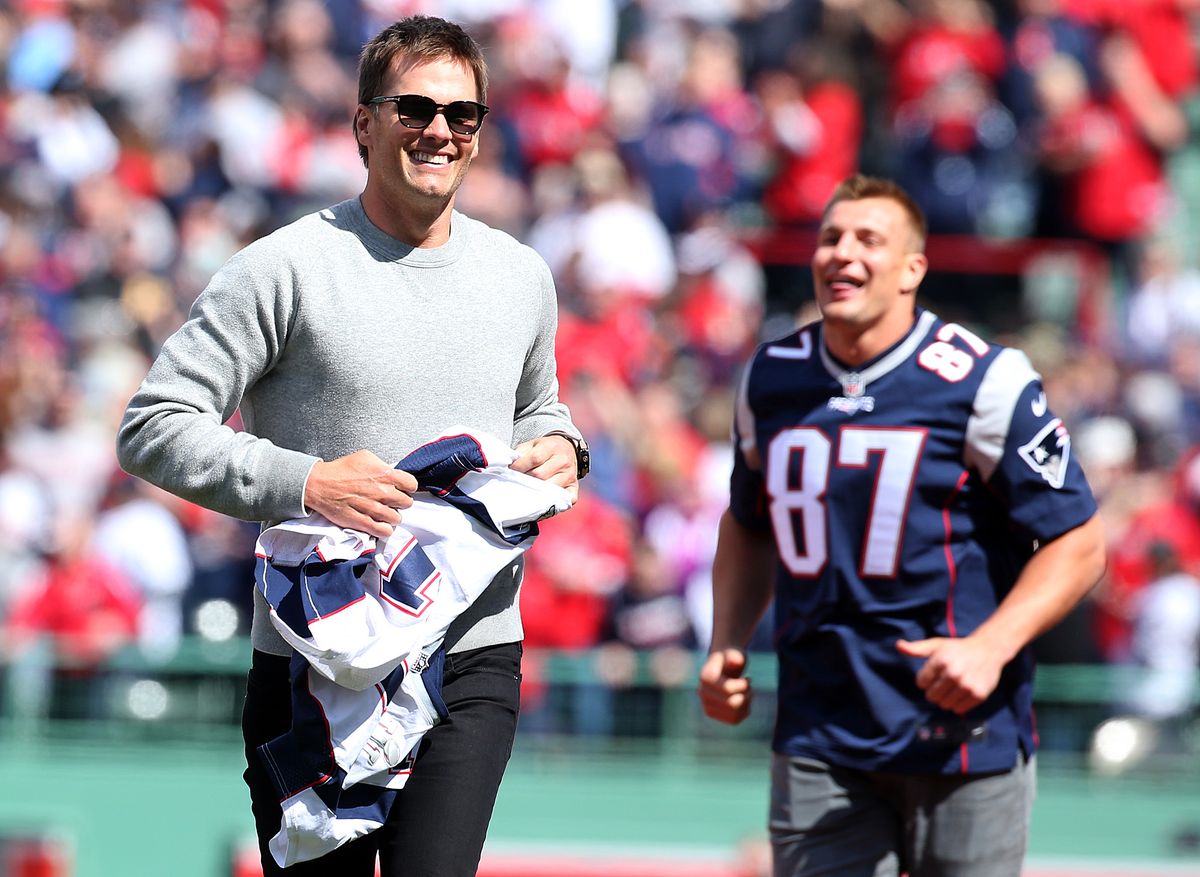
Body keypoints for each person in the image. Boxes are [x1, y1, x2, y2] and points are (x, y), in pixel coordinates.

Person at [116, 15, 587, 877]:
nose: (439, 130)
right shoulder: (281, 268)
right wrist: (305, 482)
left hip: (470, 653)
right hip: (312, 664)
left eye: (463, 115)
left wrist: (562, 446)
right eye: (413, 108)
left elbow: (537, 412)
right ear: (363, 122)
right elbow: (154, 426)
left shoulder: (522, 275)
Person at [698, 174, 1105, 877]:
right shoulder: (771, 380)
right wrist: (726, 639)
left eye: (867, 239)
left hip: (962, 734)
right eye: (830, 237)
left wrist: (989, 646)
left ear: (913, 267)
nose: (841, 253)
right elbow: (749, 522)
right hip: (820, 727)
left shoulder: (983, 380)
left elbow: (1079, 539)